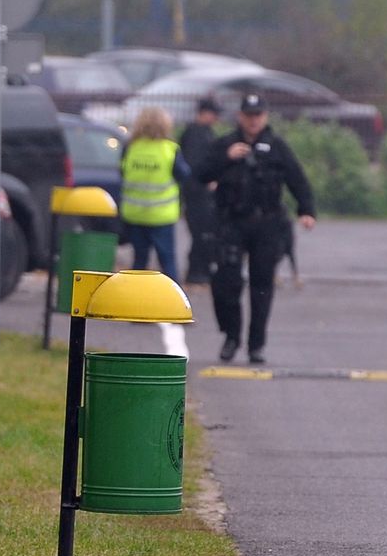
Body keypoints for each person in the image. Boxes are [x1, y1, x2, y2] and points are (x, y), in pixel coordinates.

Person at [195, 92, 316, 365]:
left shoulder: (276, 146)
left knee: (262, 285)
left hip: (267, 224)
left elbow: (297, 180)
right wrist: (226, 158)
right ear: (240, 117)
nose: (253, 121)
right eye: (248, 116)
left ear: (265, 117)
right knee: (226, 282)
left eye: (257, 116)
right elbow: (200, 173)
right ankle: (231, 336)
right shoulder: (225, 143)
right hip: (231, 222)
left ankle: (256, 344)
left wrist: (306, 210)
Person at [119, 106, 192, 284]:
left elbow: (122, 172)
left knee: (139, 262)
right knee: (167, 262)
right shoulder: (170, 149)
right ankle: (174, 305)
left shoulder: (131, 148)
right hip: (161, 215)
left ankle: (134, 304)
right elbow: (184, 175)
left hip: (135, 214)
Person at [178, 97, 221, 286]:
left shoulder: (204, 132)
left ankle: (202, 269)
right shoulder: (195, 133)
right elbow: (195, 164)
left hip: (201, 192)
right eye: (214, 114)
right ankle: (196, 272)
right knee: (200, 232)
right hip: (197, 192)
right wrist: (208, 180)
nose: (216, 118)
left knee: (206, 232)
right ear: (204, 113)